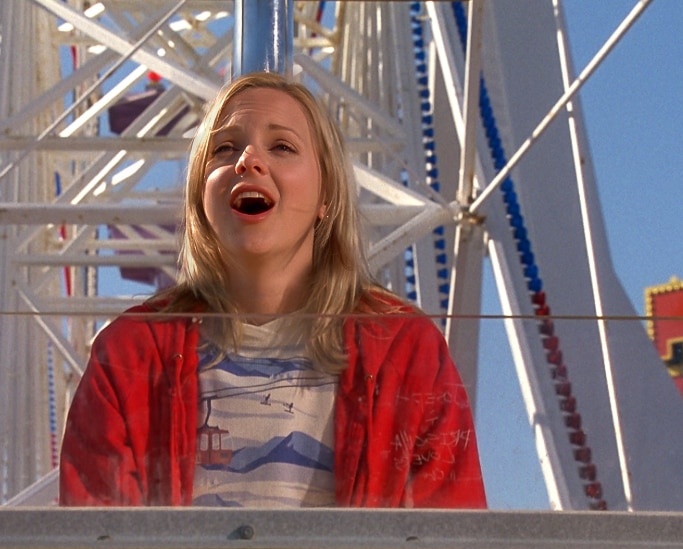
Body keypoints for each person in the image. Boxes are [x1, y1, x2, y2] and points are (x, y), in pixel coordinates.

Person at [59, 71, 487, 508]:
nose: (247, 160)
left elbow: (454, 535)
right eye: (223, 149)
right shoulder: (130, 356)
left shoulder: (405, 351)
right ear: (199, 199)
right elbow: (96, 540)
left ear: (327, 196)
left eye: (282, 146)